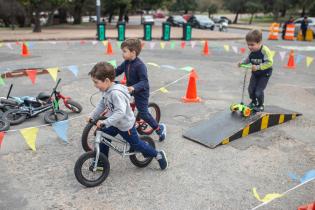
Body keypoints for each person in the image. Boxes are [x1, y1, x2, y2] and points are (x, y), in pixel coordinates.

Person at [87, 62, 168, 170]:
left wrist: (105, 122)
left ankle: (157, 155)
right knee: (103, 136)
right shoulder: (106, 90)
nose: (94, 85)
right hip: (115, 123)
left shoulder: (115, 94)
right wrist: (92, 115)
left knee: (137, 145)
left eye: (96, 82)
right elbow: (101, 105)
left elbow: (120, 112)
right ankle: (102, 162)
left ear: (106, 81)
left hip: (125, 126)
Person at [115, 38, 167, 141]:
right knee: (120, 103)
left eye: (124, 51)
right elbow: (117, 71)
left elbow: (144, 82)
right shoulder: (126, 62)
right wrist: (107, 75)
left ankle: (159, 129)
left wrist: (134, 87)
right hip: (130, 89)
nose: (122, 54)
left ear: (133, 52)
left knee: (143, 113)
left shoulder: (140, 65)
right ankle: (129, 123)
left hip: (141, 91)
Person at [238, 29, 273, 112]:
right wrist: (241, 63)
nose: (250, 47)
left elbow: (270, 63)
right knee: (251, 89)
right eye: (248, 44)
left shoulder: (265, 51)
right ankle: (253, 102)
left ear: (259, 42)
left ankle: (260, 105)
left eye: (252, 44)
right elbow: (248, 59)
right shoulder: (252, 51)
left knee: (258, 91)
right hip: (255, 73)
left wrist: (258, 67)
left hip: (265, 73)